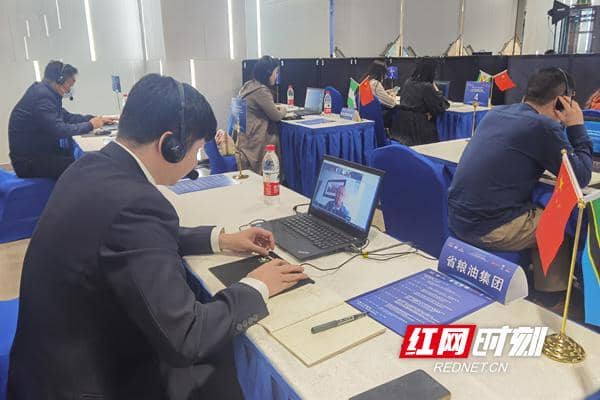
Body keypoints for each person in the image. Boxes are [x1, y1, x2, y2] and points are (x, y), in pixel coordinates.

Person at [7, 74, 307, 399]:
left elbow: (127, 238)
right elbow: (188, 338)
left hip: (45, 368)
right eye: (196, 150)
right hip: (92, 385)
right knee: (220, 366)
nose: (193, 165)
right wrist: (257, 286)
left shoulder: (91, 167)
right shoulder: (139, 204)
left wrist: (222, 240)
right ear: (170, 145)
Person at [448, 67, 592, 298]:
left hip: (457, 218)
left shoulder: (496, 113)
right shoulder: (542, 126)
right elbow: (581, 176)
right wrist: (576, 127)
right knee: (560, 223)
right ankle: (552, 298)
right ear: (561, 102)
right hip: (489, 227)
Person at [8, 60, 116, 180]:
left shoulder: (45, 93)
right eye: (70, 84)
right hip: (28, 163)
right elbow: (60, 130)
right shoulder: (42, 97)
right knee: (83, 166)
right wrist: (90, 125)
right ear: (59, 80)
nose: (70, 89)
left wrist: (93, 119)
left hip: (37, 154)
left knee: (84, 159)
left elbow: (67, 117)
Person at [237, 55, 287, 174]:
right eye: (276, 72)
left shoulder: (249, 85)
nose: (276, 76)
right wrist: (284, 110)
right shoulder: (261, 91)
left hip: (245, 138)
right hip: (256, 139)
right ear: (268, 73)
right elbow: (276, 116)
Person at [390, 58, 449, 145]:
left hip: (401, 125)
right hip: (418, 127)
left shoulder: (408, 82)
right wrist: (436, 89)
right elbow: (439, 107)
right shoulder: (427, 87)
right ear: (431, 71)